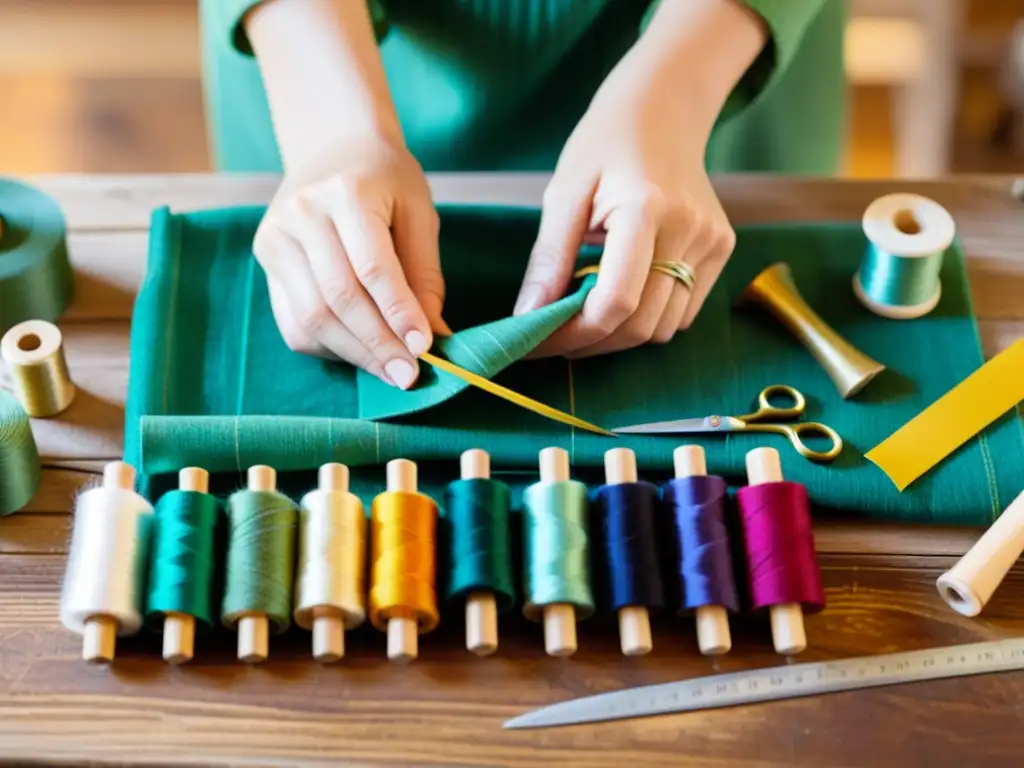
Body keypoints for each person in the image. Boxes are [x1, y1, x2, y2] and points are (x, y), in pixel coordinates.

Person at [200, 0, 845, 389]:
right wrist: (332, 134)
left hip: (712, 50)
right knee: (334, 250)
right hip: (316, 50)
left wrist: (674, 95)